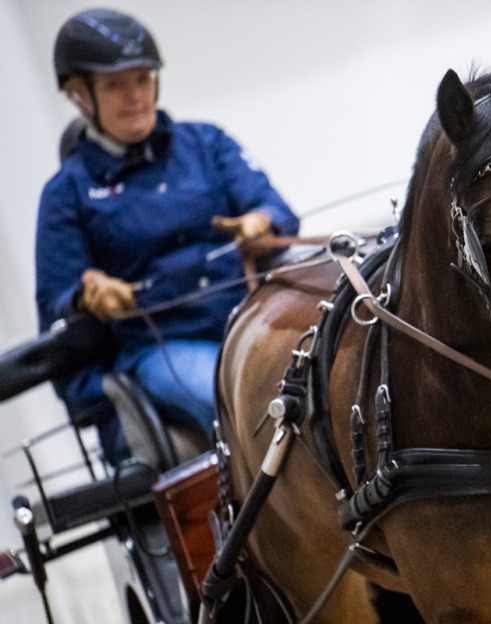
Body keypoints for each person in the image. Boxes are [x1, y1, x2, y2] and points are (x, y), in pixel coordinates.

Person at [35, 8, 300, 464]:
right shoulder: (66, 194)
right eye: (116, 85)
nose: (135, 96)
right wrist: (87, 293)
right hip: (163, 349)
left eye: (142, 79)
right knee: (236, 396)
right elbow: (59, 300)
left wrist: (261, 223)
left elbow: (275, 210)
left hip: (253, 315)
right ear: (80, 95)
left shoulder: (207, 143)